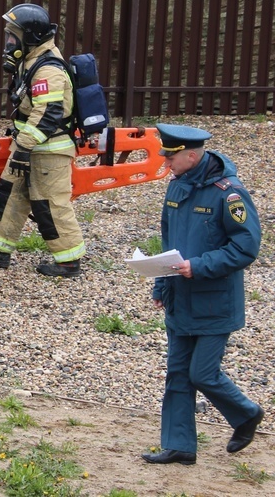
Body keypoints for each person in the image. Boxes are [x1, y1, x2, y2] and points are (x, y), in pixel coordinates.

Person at [141, 124, 263, 466]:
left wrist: (200, 266)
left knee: (203, 374)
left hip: (214, 302)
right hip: (181, 299)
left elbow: (246, 247)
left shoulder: (230, 194)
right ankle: (179, 445)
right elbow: (170, 243)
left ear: (192, 156)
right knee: (178, 373)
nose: (166, 163)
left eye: (171, 157)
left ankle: (246, 414)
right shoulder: (177, 187)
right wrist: (161, 283)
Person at [0, 3, 86, 277]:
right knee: (8, 196)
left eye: (13, 36)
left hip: (48, 151)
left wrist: (23, 148)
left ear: (29, 37)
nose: (9, 42)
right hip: (29, 148)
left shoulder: (48, 70)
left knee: (50, 204)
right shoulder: (31, 62)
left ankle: (68, 260)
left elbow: (48, 113)